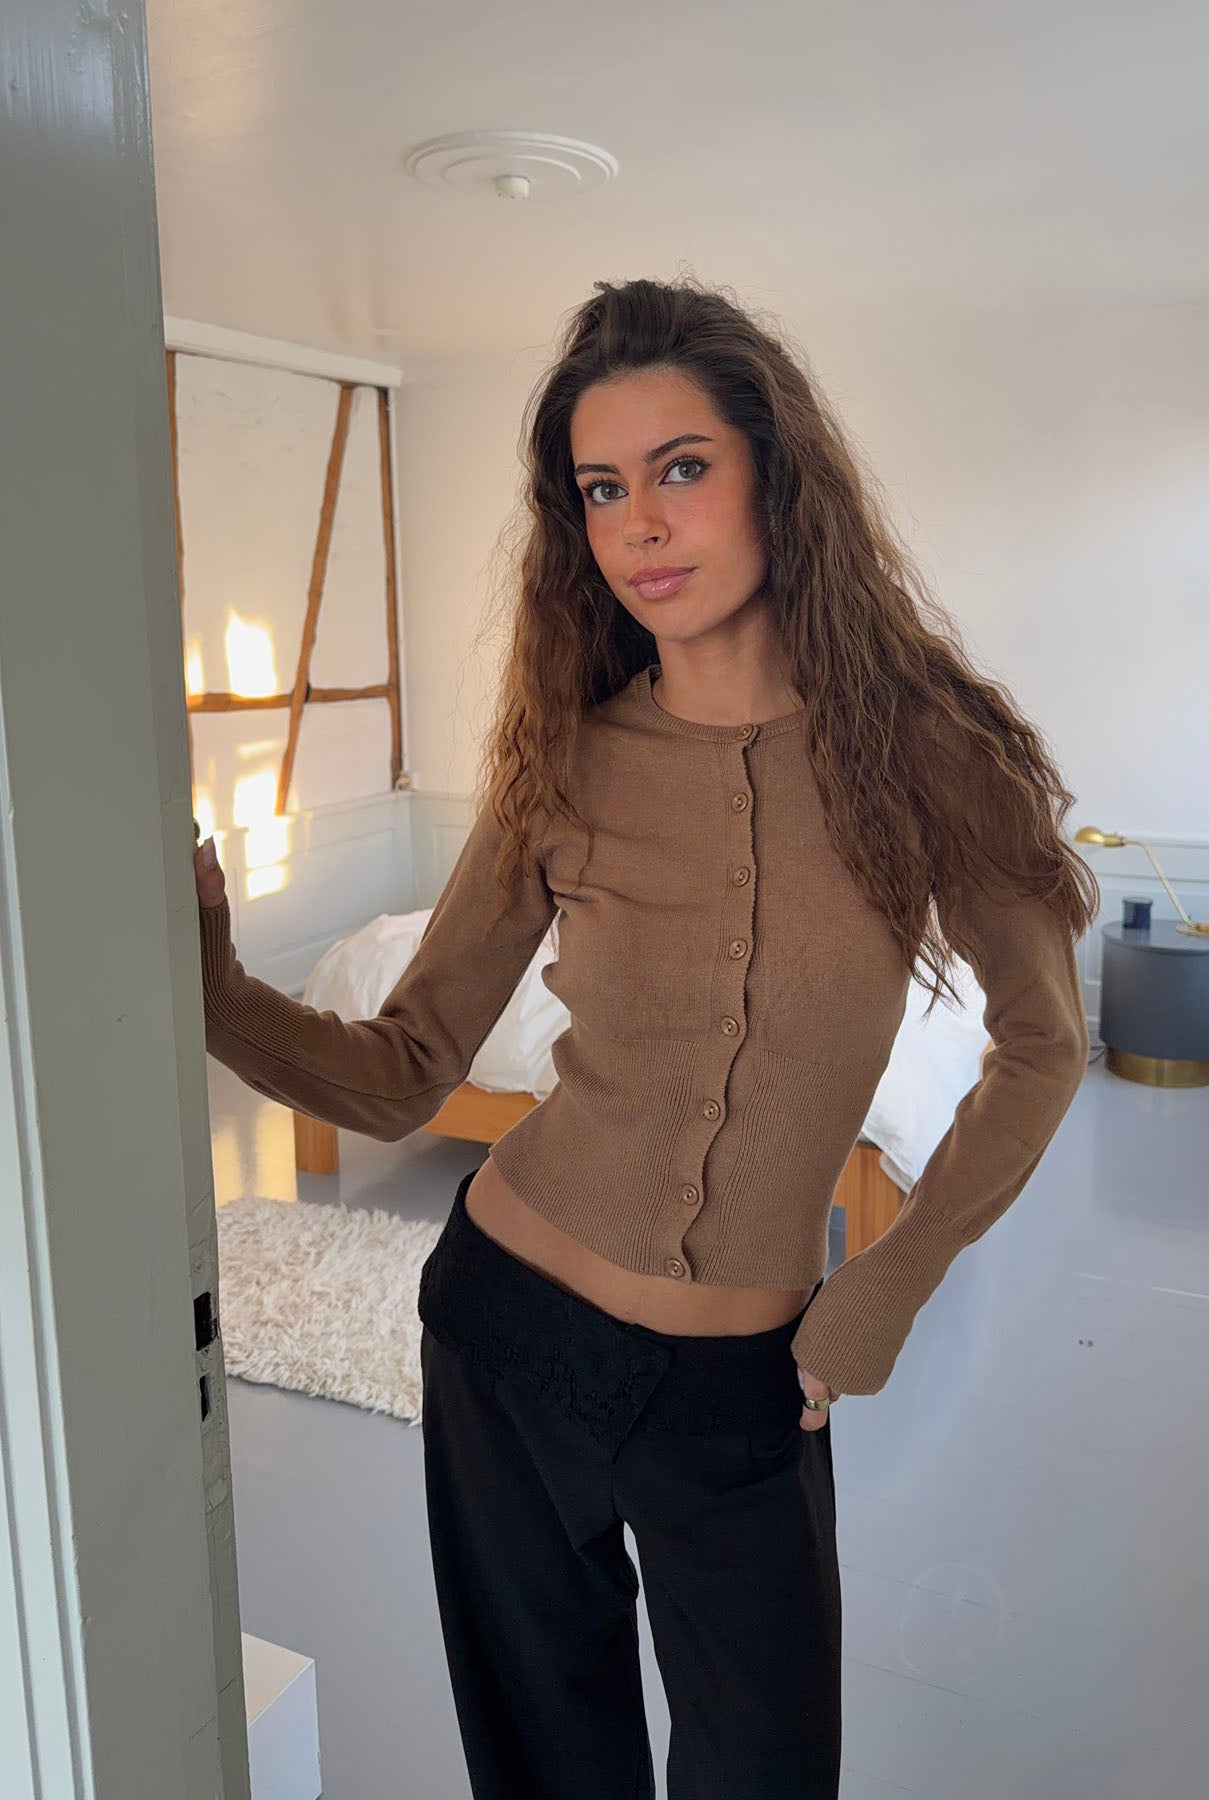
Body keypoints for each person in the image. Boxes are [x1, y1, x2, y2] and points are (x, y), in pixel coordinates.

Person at [192, 275, 1096, 1800]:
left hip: (747, 1388)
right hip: (502, 1340)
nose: (639, 525)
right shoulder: (565, 759)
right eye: (600, 489)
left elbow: (1041, 1044)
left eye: (680, 468)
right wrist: (214, 985)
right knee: (545, 1771)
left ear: (776, 477)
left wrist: (885, 1284)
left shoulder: (929, 751)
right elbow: (407, 1069)